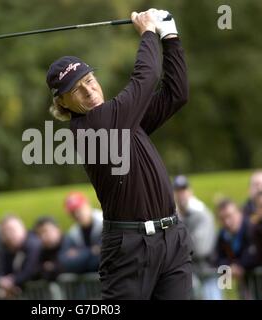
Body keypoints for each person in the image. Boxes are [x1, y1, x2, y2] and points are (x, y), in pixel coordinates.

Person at [46, 9, 191, 299]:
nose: (89, 90)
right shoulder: (91, 126)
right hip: (130, 248)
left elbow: (176, 94)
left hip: (172, 239)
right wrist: (148, 32)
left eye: (89, 79)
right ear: (62, 102)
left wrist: (171, 38)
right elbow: (146, 78)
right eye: (76, 90)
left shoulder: (123, 118)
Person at [173, 175, 220, 300]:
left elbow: (200, 248)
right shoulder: (177, 215)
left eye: (183, 190)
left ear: (190, 191)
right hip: (191, 274)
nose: (181, 194)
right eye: (178, 190)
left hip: (208, 273)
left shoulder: (201, 213)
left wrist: (177, 245)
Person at [214, 198, 258, 299]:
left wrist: (240, 266)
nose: (227, 222)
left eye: (230, 216)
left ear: (239, 213)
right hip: (243, 285)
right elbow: (218, 258)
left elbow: (255, 252)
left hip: (260, 281)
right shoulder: (223, 234)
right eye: (222, 218)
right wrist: (229, 268)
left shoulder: (252, 228)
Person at [0, 215, 42, 298]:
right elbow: (2, 269)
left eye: (12, 230)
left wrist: (12, 281)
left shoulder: (33, 244)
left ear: (23, 228)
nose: (9, 235)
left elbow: (30, 270)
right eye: (5, 232)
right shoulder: (6, 248)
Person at [59, 192, 102, 273]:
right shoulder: (73, 233)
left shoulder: (104, 223)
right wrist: (92, 251)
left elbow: (104, 255)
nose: (77, 214)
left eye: (79, 209)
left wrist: (80, 254)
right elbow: (66, 262)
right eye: (72, 212)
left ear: (88, 205)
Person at [33, 216, 65, 281]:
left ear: (58, 229)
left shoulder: (70, 243)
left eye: (45, 231)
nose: (43, 236)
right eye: (39, 234)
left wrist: (54, 267)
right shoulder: (41, 251)